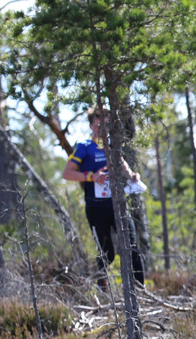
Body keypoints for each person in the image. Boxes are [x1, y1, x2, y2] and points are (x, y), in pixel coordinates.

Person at [62, 107, 146, 289]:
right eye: (99, 125)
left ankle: (141, 291)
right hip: (96, 208)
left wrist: (132, 176)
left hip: (117, 205)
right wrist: (91, 176)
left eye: (107, 125)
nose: (103, 129)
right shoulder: (84, 147)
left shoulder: (113, 146)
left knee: (132, 247)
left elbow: (123, 166)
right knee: (106, 253)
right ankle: (103, 290)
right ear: (92, 125)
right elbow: (67, 173)